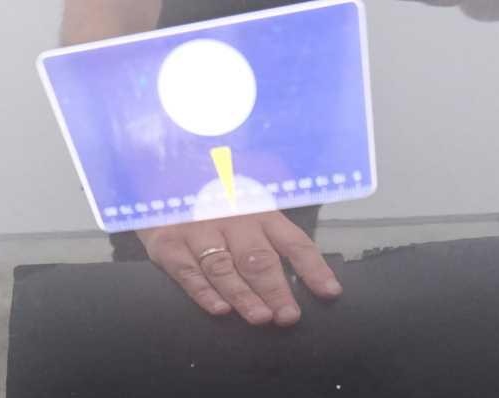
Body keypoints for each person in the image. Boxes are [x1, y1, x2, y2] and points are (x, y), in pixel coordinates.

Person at [61, 1, 342, 328]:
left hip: (292, 134)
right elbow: (103, 18)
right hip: (171, 148)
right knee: (183, 302)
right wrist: (157, 169)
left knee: (282, 283)